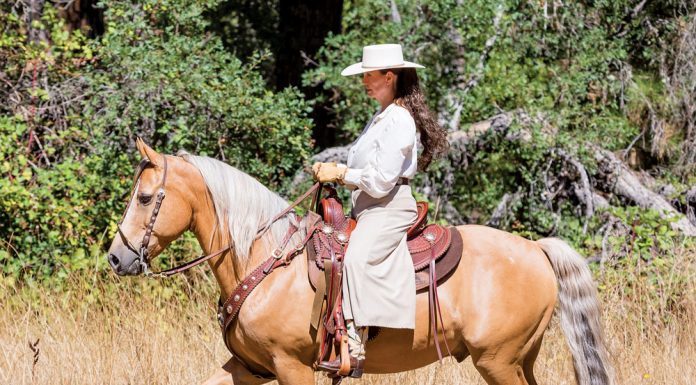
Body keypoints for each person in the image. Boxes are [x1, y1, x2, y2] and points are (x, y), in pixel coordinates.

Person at [312, 43, 448, 377]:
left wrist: (341, 173)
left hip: (388, 208)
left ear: (390, 76)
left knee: (357, 257)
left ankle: (355, 343)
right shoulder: (382, 116)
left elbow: (382, 181)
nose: (365, 81)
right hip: (369, 208)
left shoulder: (399, 119)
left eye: (370, 75)